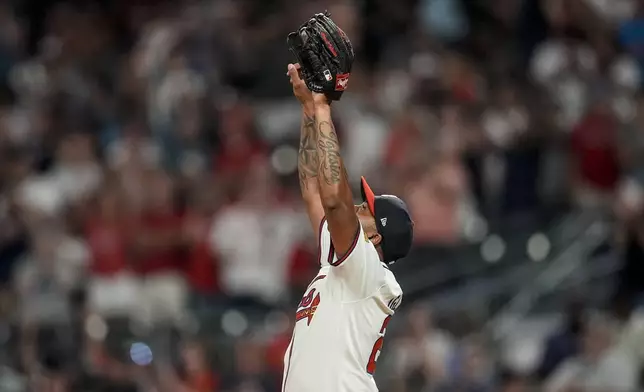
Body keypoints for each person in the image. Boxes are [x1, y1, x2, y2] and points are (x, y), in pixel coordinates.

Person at [281, 63, 414, 392]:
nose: (358, 206)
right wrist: (309, 110)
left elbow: (335, 202)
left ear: (376, 236)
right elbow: (313, 190)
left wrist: (325, 107)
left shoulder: (367, 270)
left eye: (367, 209)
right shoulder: (343, 265)